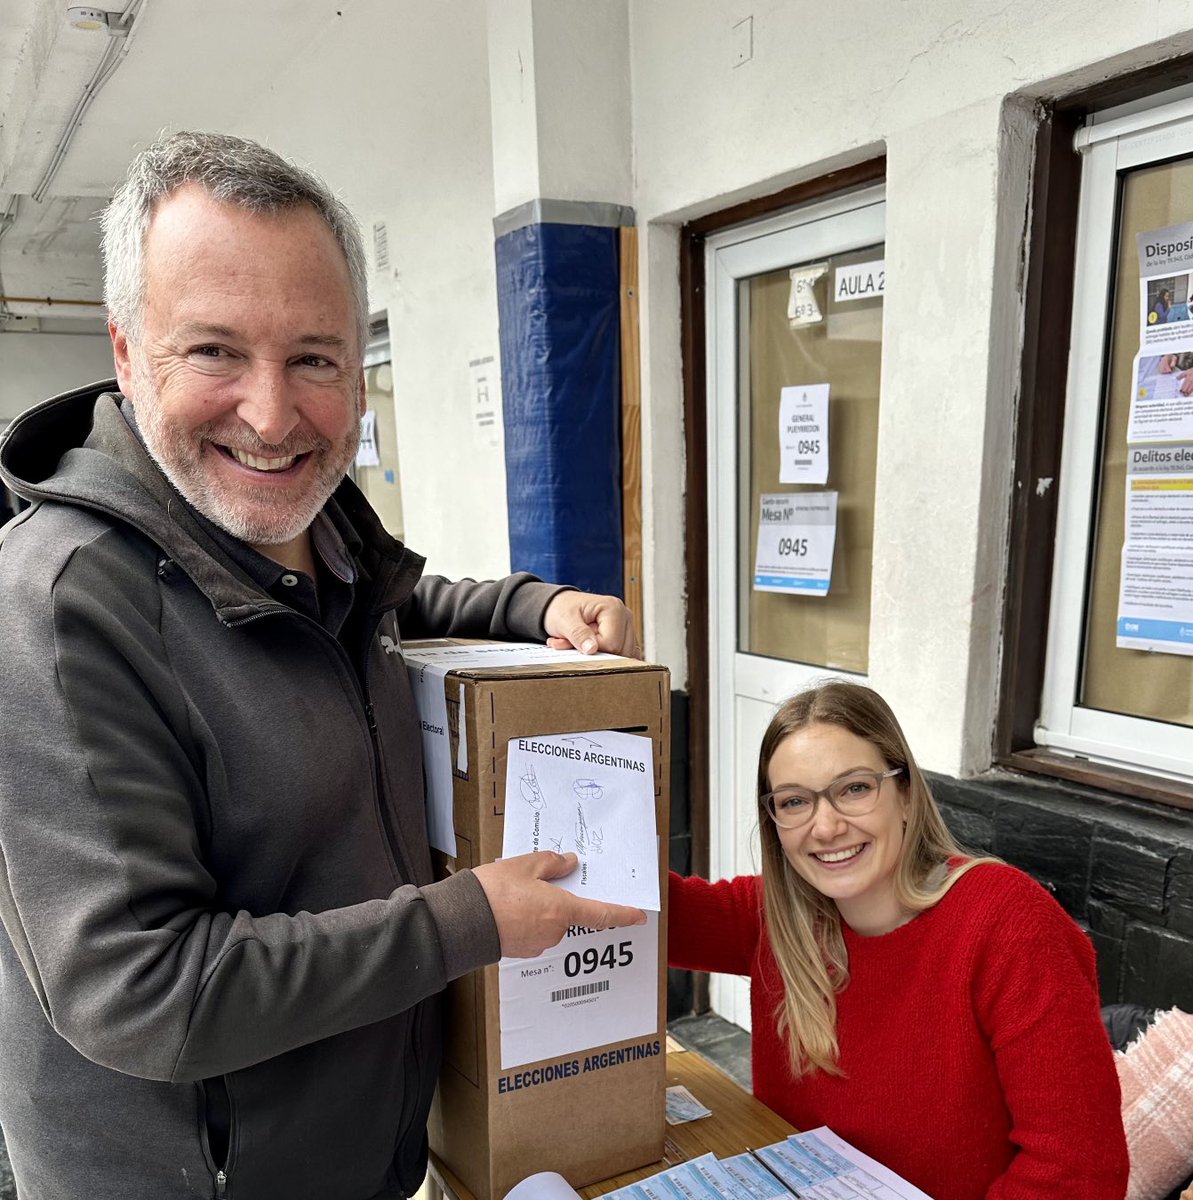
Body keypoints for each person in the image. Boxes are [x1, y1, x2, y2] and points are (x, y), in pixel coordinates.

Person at [0, 131, 647, 1200]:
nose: (270, 414)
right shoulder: (60, 607)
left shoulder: (307, 533)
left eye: (314, 359)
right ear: (125, 352)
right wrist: (472, 921)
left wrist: (531, 606)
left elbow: (384, 609)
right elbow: (138, 991)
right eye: (213, 351)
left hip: (363, 1158)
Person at [669, 681, 1128, 1200]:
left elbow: (1079, 1172)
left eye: (855, 788)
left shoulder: (1007, 922)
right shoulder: (775, 917)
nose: (825, 827)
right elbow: (635, 909)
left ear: (906, 793)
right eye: (794, 801)